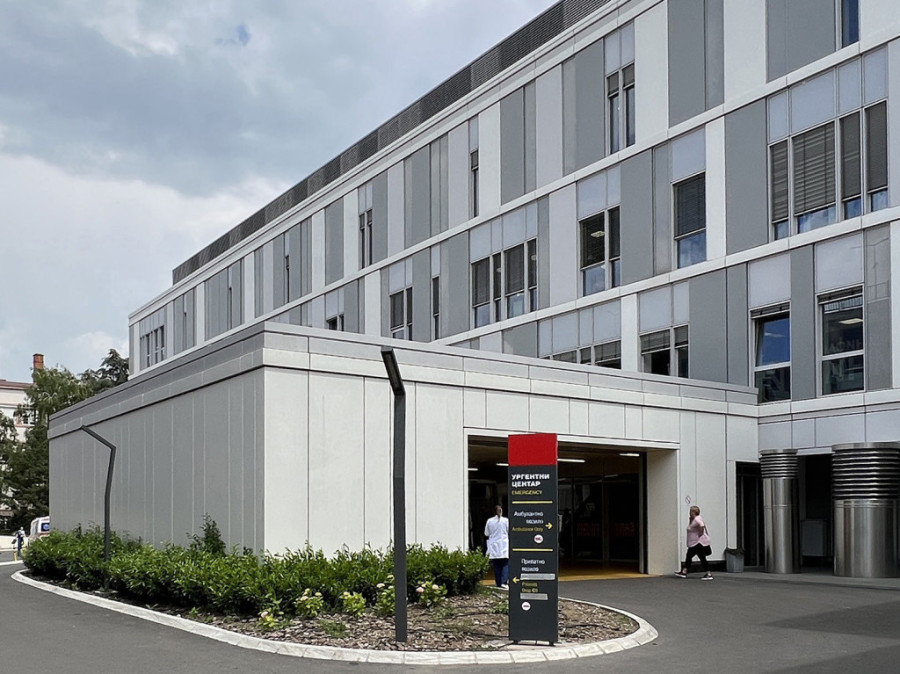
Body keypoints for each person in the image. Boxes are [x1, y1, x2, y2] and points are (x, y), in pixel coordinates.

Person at [675, 505, 713, 580]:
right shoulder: (695, 519)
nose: (689, 513)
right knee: (700, 557)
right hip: (696, 542)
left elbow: (702, 525)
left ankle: (684, 571)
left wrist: (700, 533)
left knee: (690, 556)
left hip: (697, 543)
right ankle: (707, 573)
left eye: (691, 511)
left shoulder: (697, 519)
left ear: (694, 512)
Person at [484, 505, 509, 589]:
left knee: (496, 564)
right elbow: (509, 531)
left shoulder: (489, 521)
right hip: (504, 545)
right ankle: (504, 582)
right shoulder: (506, 521)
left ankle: (498, 583)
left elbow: (486, 533)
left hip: (494, 545)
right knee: (505, 563)